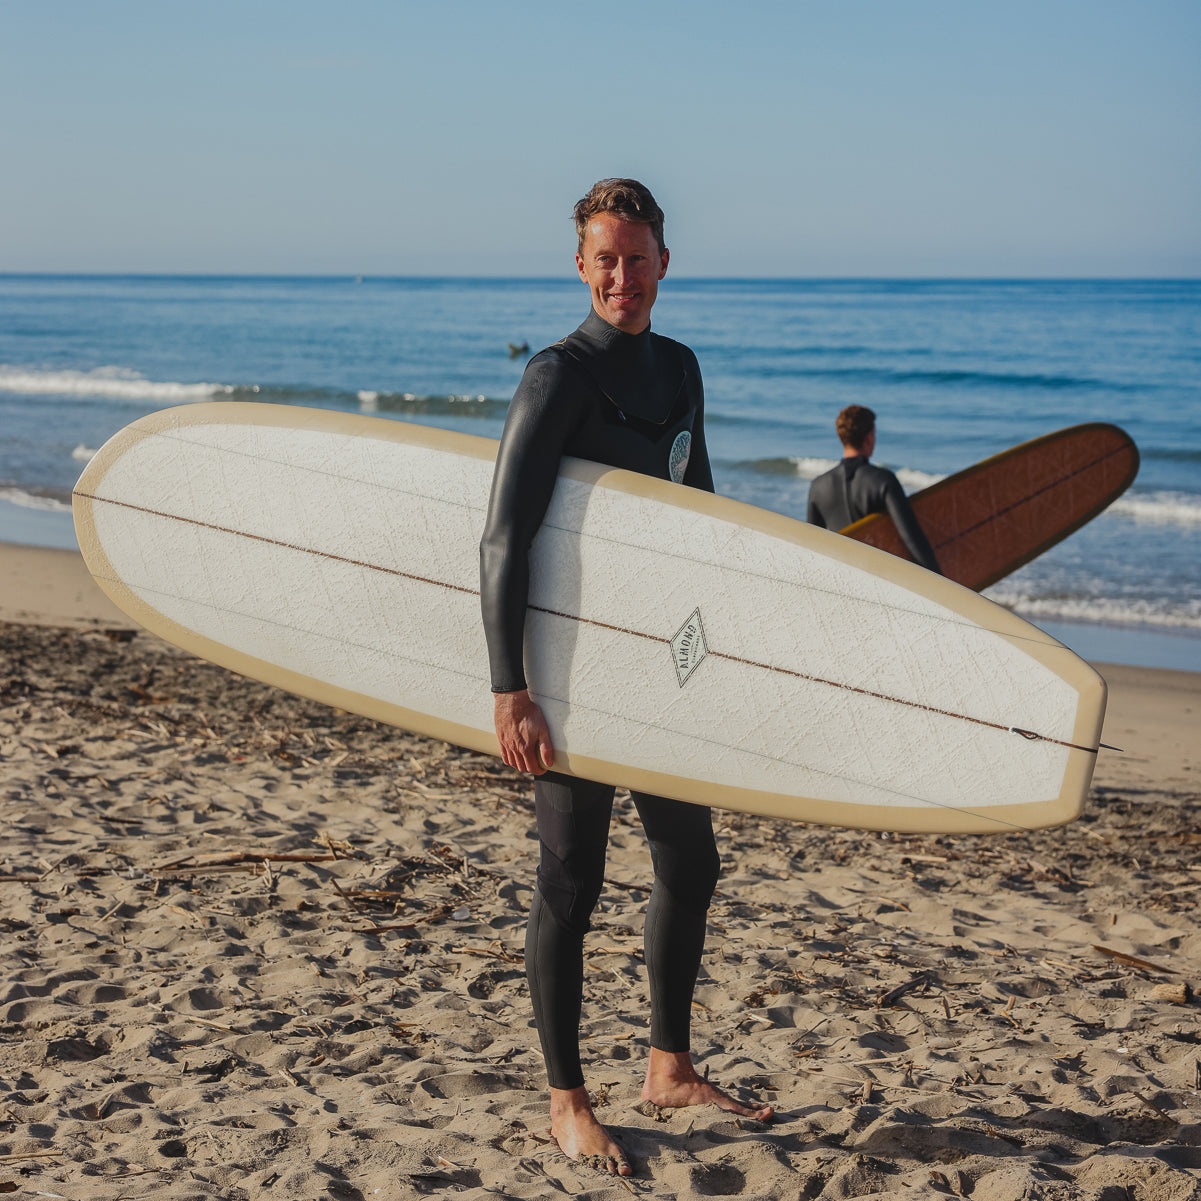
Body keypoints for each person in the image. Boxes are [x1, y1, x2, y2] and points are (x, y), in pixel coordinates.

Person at [479, 179, 773, 1177]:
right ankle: (567, 1102)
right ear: (580, 266)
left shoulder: (679, 367)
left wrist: (725, 634)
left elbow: (699, 511)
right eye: (604, 259)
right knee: (572, 881)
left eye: (637, 258)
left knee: (690, 862)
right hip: (567, 668)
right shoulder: (554, 377)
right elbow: (503, 537)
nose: (622, 276)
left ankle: (668, 1067)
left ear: (662, 264)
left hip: (659, 663)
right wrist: (509, 686)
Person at [807, 404, 942, 574]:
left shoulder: (817, 486)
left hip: (841, 575)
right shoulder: (883, 480)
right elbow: (911, 538)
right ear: (869, 438)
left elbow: (811, 546)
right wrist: (941, 579)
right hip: (878, 576)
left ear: (842, 438)